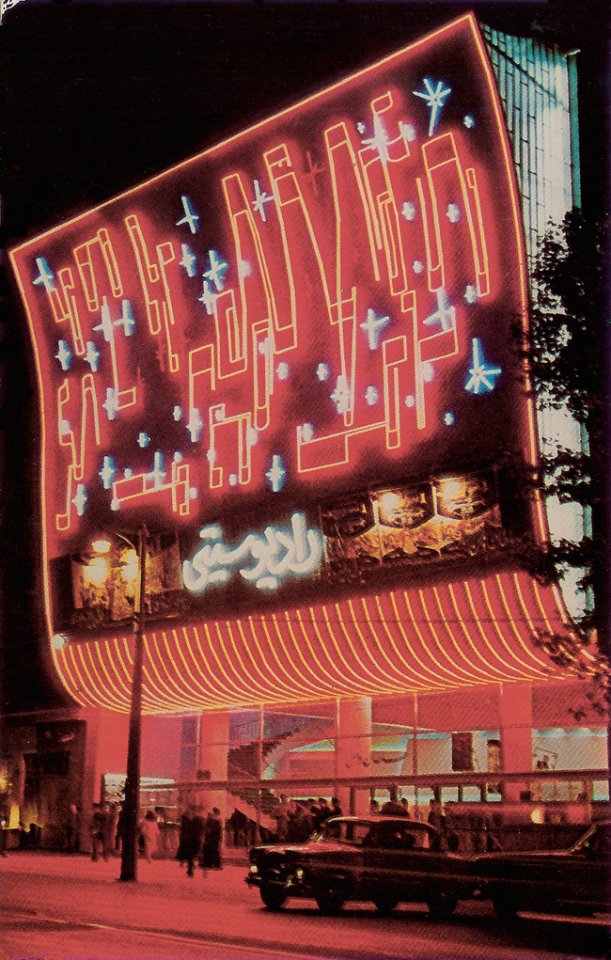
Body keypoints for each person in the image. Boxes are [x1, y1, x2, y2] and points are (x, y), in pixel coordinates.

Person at [176, 806, 206, 877]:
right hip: (196, 840)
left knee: (192, 856)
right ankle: (199, 870)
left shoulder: (189, 821)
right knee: (195, 855)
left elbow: (184, 830)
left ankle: (192, 870)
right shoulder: (200, 820)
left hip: (192, 840)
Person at [201, 807, 223, 874]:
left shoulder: (217, 821)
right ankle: (209, 864)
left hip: (213, 839)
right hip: (210, 838)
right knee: (209, 851)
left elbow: (215, 830)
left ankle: (215, 864)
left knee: (214, 851)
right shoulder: (211, 820)